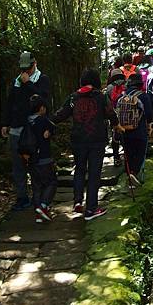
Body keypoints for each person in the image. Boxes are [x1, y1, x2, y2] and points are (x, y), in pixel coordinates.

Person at [52, 68, 123, 220]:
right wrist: (117, 125)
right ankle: (91, 209)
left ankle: (78, 201)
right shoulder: (101, 97)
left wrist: (45, 122)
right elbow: (110, 113)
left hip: (78, 139)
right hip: (97, 140)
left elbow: (61, 114)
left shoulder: (74, 97)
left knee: (79, 169)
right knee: (94, 173)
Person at [1, 51, 50, 211]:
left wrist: (29, 83)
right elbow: (10, 103)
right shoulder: (16, 81)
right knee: (18, 166)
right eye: (23, 68)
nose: (26, 71)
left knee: (37, 165)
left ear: (34, 63)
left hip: (34, 130)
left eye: (28, 68)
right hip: (16, 128)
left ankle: (41, 199)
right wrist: (5, 123)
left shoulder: (42, 79)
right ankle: (22, 197)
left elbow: (43, 101)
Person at [24, 95, 57, 223]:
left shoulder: (27, 122)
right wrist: (49, 130)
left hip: (31, 159)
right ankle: (43, 206)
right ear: (42, 108)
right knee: (51, 182)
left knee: (37, 186)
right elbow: (54, 126)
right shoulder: (43, 120)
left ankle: (39, 213)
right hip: (44, 158)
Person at [117, 73, 153, 186]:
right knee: (140, 152)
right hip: (139, 130)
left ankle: (130, 174)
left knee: (128, 153)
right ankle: (133, 173)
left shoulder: (122, 96)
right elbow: (149, 114)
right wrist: (150, 126)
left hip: (124, 130)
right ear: (139, 84)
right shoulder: (143, 96)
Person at [106, 68, 126, 167]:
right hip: (126, 114)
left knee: (115, 136)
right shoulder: (126, 85)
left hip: (114, 114)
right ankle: (127, 156)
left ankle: (116, 157)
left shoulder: (109, 87)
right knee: (126, 134)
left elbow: (107, 103)